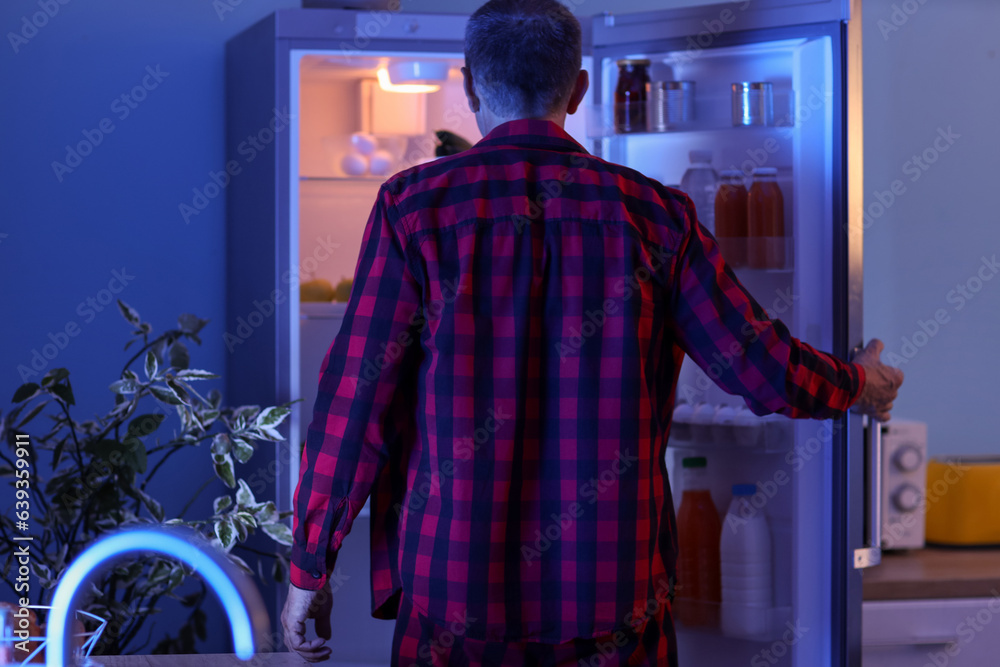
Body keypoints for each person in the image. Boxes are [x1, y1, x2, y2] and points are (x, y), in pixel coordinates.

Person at [281, 0, 903, 664]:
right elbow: (759, 364)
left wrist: (308, 566)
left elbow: (354, 405)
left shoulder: (415, 209)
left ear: (468, 85)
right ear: (578, 90)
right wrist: (859, 382)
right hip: (614, 600)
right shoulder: (656, 215)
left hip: (455, 599)